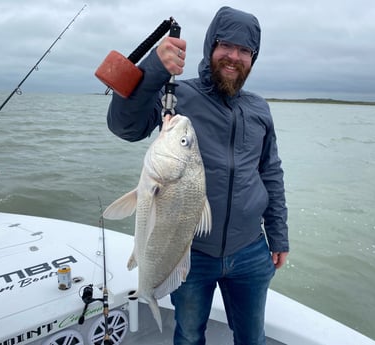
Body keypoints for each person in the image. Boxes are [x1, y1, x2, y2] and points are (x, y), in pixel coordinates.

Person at [107, 6, 289, 345]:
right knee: (189, 335)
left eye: (245, 50)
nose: (234, 56)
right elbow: (125, 126)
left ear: (253, 57)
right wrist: (153, 68)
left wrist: (278, 235)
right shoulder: (179, 97)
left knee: (252, 337)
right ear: (210, 46)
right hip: (191, 252)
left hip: (251, 249)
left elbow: (271, 173)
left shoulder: (259, 108)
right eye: (226, 45)